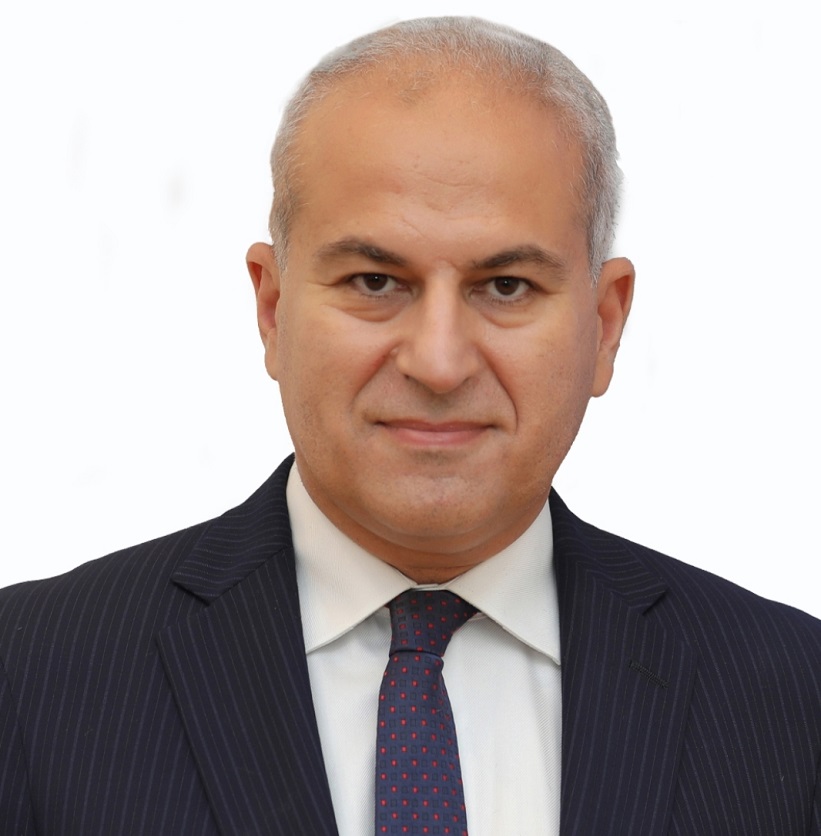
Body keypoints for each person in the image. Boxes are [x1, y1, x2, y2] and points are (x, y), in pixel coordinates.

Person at [1, 16, 819, 836]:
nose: (438, 363)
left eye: (505, 286)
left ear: (604, 326)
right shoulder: (26, 677)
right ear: (272, 309)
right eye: (373, 281)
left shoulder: (792, 699)